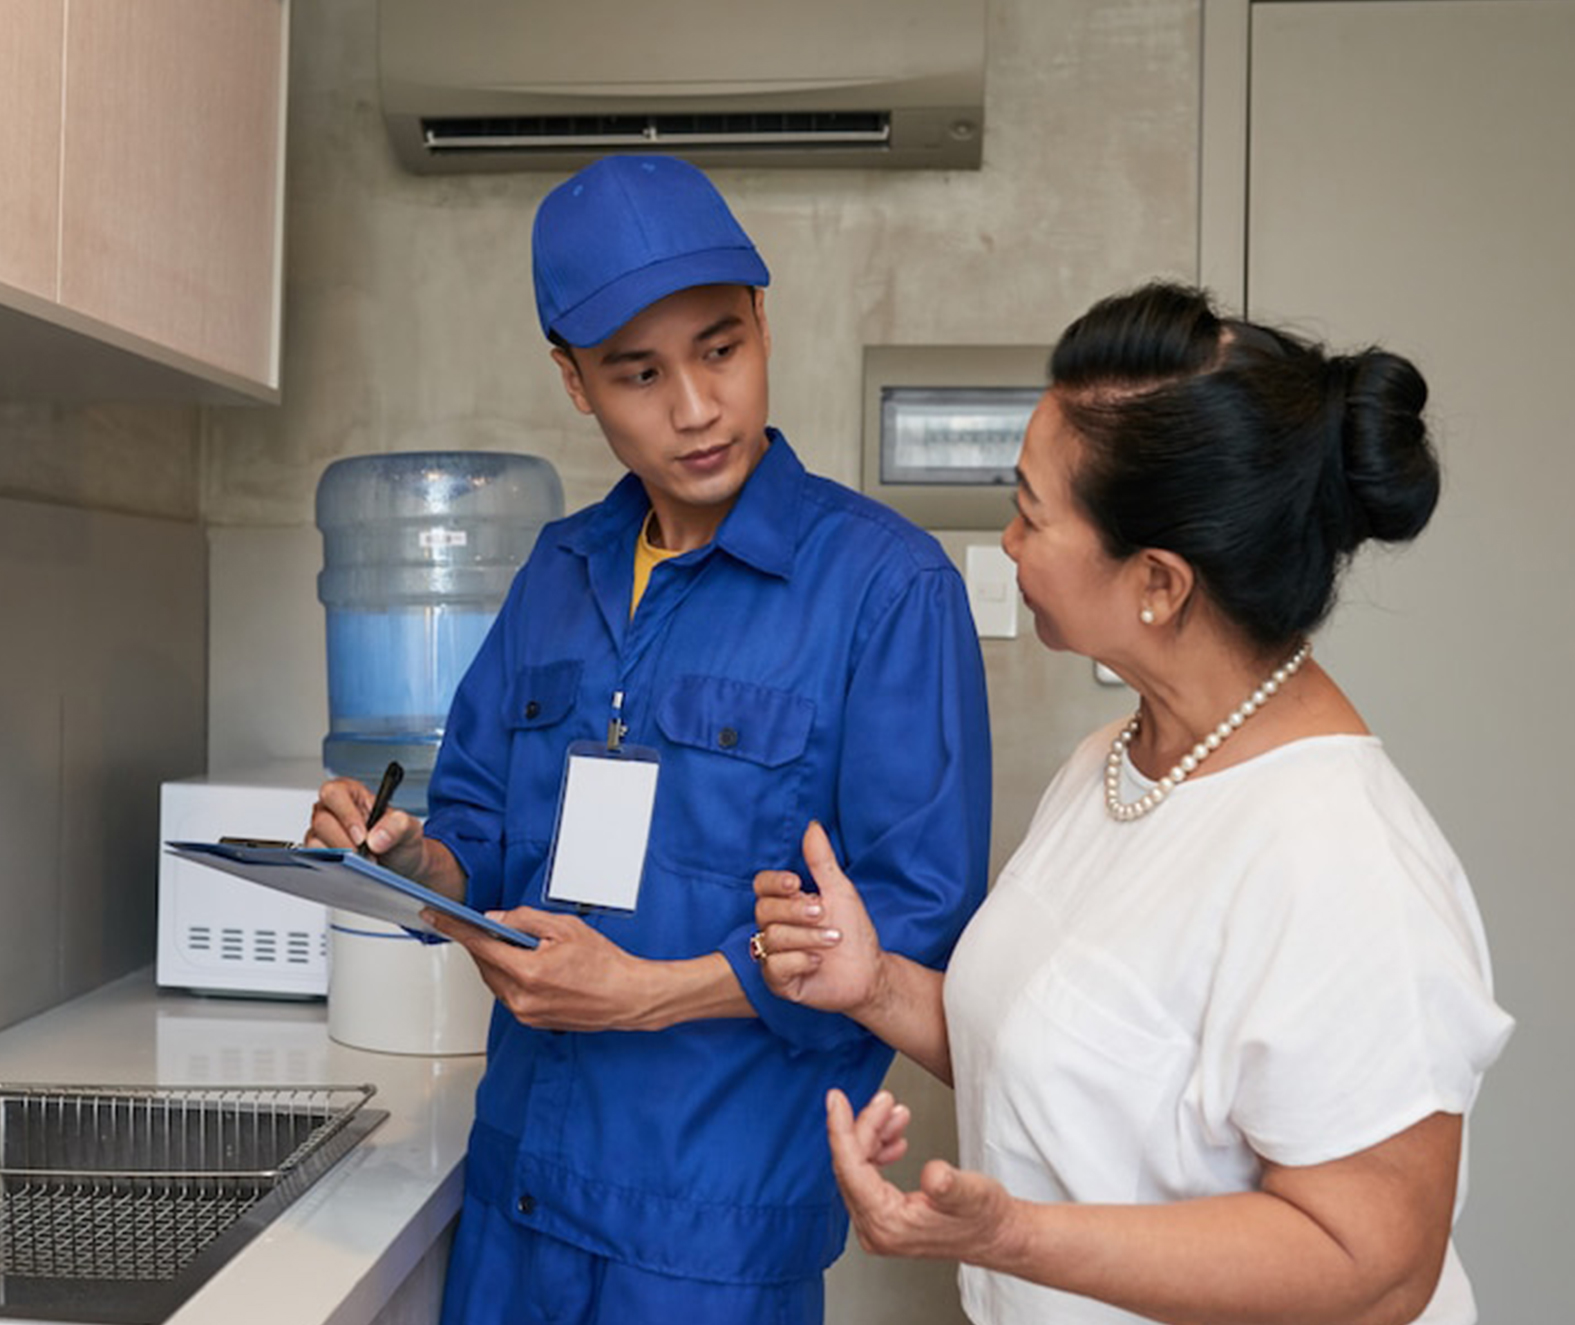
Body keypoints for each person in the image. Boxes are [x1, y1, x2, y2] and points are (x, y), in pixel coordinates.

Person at [305, 154, 992, 1322]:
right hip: (516, 1196)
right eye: (639, 372)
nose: (695, 407)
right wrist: (405, 857)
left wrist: (650, 992)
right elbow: (477, 832)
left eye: (721, 349)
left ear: (762, 320)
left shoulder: (886, 588)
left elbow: (910, 924)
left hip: (708, 1231)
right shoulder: (558, 570)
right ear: (574, 382)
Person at [750, 281, 1514, 1325]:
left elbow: (1373, 1266)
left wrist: (1014, 1235)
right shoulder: (1111, 764)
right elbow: (1067, 1070)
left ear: (1157, 582)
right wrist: (873, 982)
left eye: (1031, 511)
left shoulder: (1342, 860)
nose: (1008, 542)